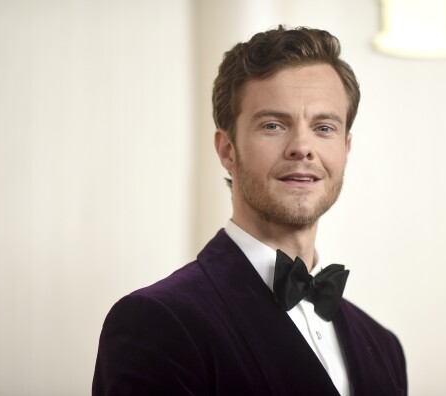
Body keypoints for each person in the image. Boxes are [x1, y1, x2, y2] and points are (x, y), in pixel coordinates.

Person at [93, 25, 407, 396]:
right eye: (274, 125)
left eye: (324, 127)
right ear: (227, 150)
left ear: (346, 149)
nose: (302, 148)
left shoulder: (385, 347)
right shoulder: (157, 322)